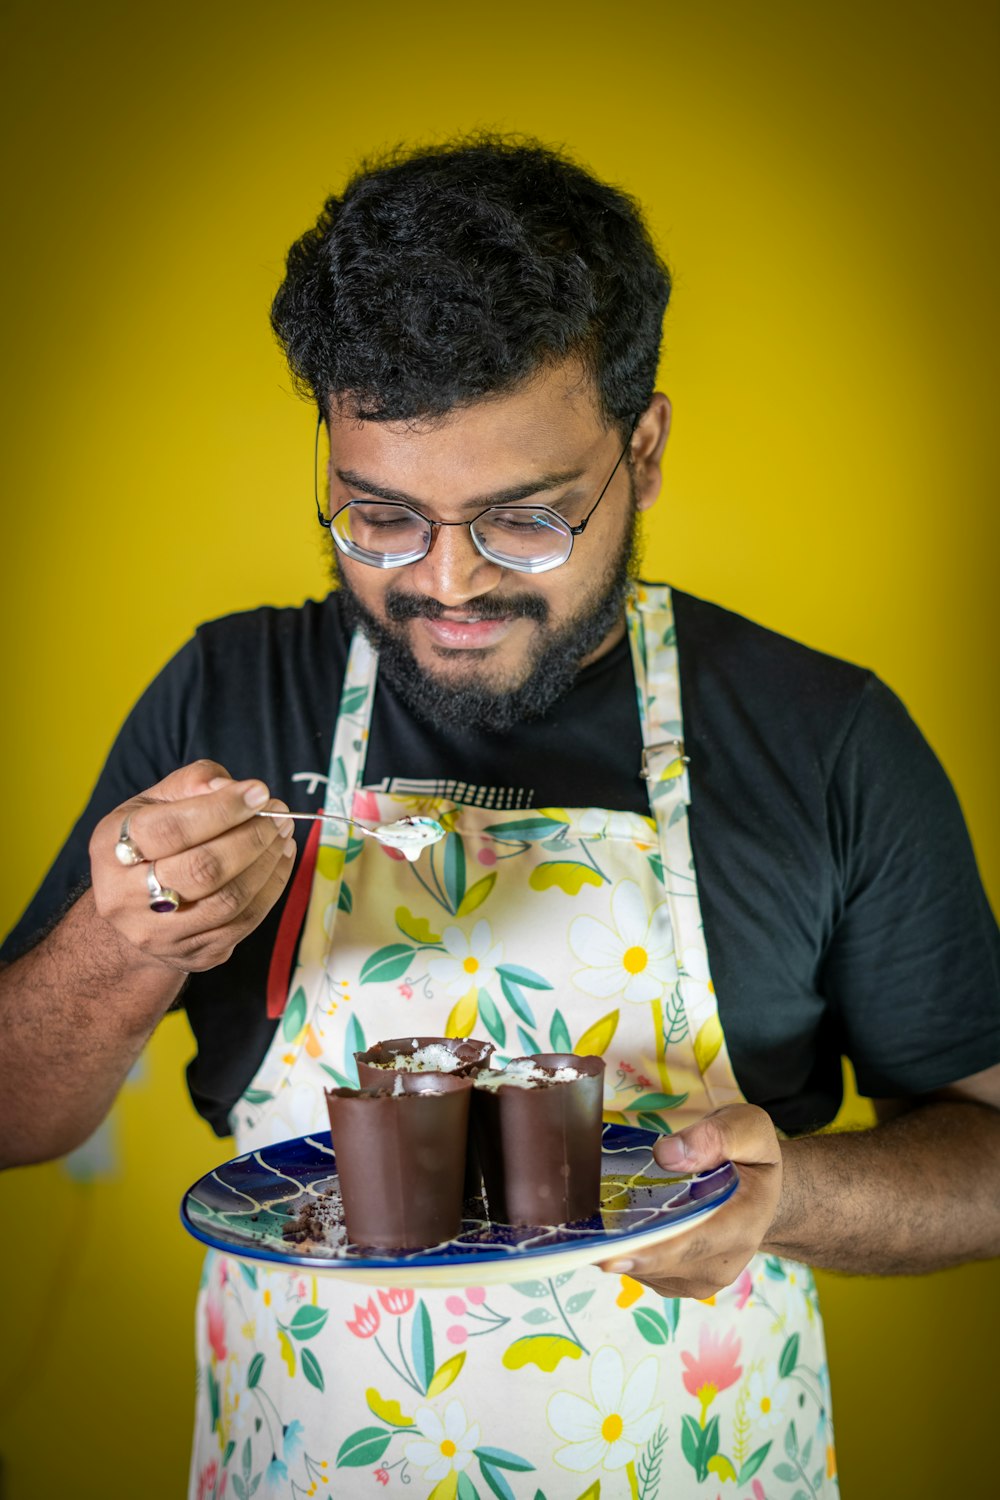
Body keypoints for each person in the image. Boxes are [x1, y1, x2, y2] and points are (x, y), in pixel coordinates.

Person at [2, 135, 998, 1499]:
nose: (450, 584)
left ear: (642, 452)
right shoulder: (229, 693)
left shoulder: (826, 737)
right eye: (380, 518)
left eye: (524, 520)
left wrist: (796, 1197)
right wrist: (126, 942)